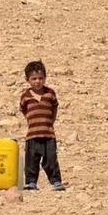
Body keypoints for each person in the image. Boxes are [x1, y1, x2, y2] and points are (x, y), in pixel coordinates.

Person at [19, 60, 66, 191]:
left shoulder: (50, 93)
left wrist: (51, 121)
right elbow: (23, 109)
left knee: (51, 159)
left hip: (48, 134)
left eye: (40, 78)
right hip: (32, 134)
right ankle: (31, 182)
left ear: (45, 78)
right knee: (31, 160)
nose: (37, 81)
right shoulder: (26, 96)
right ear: (28, 79)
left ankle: (56, 181)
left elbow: (55, 107)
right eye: (34, 78)